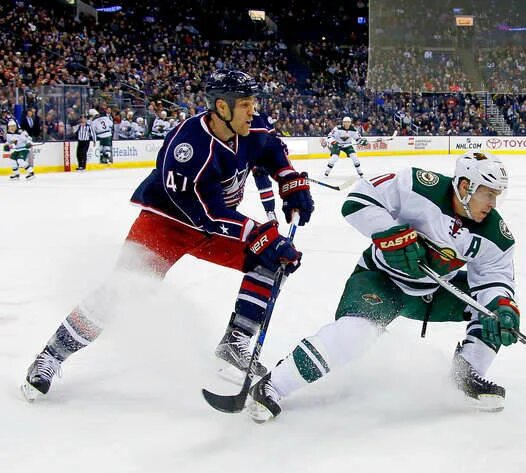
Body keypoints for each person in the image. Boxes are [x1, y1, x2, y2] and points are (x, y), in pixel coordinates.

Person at [21, 69, 315, 401]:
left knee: (272, 263)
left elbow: (273, 151)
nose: (253, 111)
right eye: (245, 104)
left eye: (253, 103)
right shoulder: (187, 146)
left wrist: (290, 182)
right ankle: (50, 356)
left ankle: (235, 343)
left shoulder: (253, 125)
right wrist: (257, 233)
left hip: (217, 224)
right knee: (121, 290)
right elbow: (207, 214)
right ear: (221, 106)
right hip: (168, 224)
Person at [245, 151, 520, 423]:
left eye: (497, 195)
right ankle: (274, 385)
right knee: (355, 335)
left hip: (432, 291)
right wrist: (391, 234)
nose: (493, 203)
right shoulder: (418, 185)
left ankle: (465, 375)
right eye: (488, 193)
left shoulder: (495, 234)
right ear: (464, 186)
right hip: (381, 279)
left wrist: (501, 304)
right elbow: (357, 201)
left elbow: (495, 277)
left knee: (497, 314)